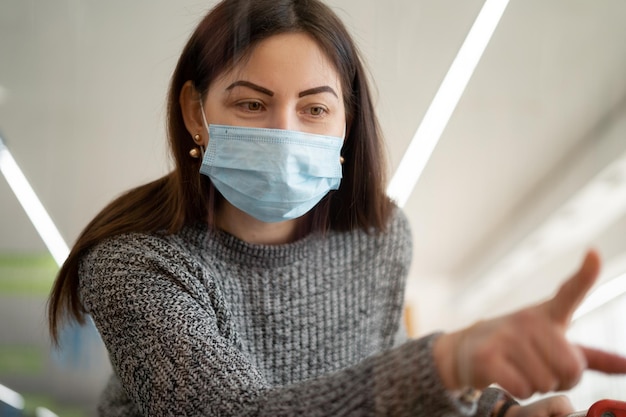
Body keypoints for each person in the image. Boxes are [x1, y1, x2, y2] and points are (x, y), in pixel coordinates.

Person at [47, 0, 626, 416]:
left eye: (315, 109)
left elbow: (382, 363)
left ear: (347, 121)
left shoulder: (380, 235)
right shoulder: (134, 262)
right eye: (252, 103)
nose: (285, 130)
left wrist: (494, 409)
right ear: (197, 113)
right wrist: (449, 362)